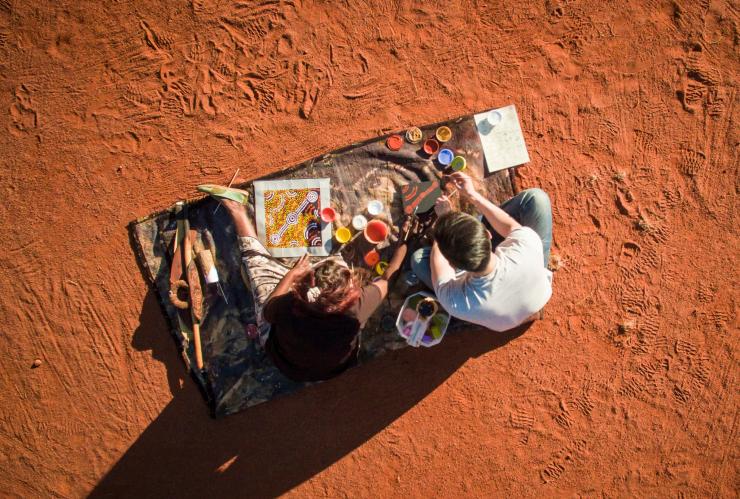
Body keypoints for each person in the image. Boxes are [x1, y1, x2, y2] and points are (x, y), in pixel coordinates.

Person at [198, 184, 408, 382]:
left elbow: (267, 313)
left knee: (257, 264)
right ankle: (237, 210)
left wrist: (291, 274)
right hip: (329, 368)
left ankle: (237, 210)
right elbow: (388, 278)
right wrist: (405, 242)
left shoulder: (292, 304)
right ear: (347, 296)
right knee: (338, 259)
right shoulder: (356, 309)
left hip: (288, 363)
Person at [409, 172, 552, 332]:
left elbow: (440, 263)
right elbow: (509, 226)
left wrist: (444, 221)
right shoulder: (527, 245)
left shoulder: (455, 301)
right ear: (488, 233)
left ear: (453, 265)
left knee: (418, 259)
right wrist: (472, 194)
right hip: (531, 281)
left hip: (498, 309)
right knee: (537, 198)